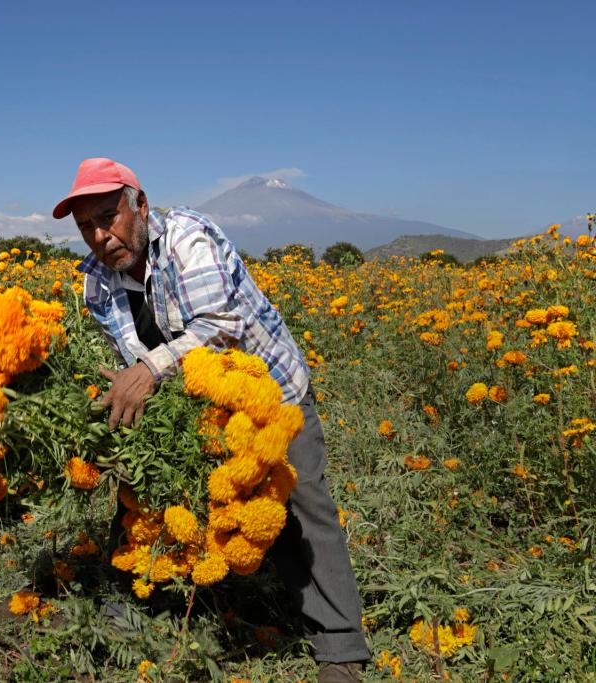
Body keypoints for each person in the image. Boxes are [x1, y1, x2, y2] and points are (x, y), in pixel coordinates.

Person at [52, 158, 371, 683]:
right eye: (87, 226)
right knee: (144, 490)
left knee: (300, 500)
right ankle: (131, 611)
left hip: (270, 392)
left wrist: (148, 371)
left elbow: (220, 328)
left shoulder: (187, 240)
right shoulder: (96, 286)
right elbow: (134, 365)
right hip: (197, 405)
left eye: (109, 216)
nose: (101, 236)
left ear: (141, 206)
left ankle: (341, 651)